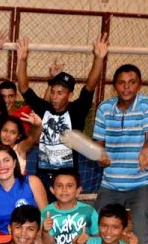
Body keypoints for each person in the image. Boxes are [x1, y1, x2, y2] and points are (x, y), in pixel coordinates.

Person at [15, 34, 109, 195]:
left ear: (70, 95)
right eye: (53, 92)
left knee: (65, 214)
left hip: (67, 176)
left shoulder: (77, 110)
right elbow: (23, 87)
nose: (55, 96)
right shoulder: (43, 108)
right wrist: (22, 60)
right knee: (44, 216)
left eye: (60, 93)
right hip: (43, 175)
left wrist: (99, 58)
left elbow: (90, 85)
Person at [93, 64, 148, 244]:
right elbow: (99, 145)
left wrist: (146, 151)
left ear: (139, 84)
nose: (127, 87)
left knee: (142, 232)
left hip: (141, 182)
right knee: (96, 228)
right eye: (121, 83)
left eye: (132, 82)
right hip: (111, 181)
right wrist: (100, 157)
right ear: (115, 86)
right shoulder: (104, 108)